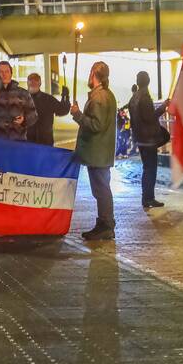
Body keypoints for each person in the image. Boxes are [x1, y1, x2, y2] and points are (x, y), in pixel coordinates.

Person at [71, 61, 117, 241]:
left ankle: (105, 226)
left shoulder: (99, 98)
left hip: (97, 152)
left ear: (93, 75)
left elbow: (96, 125)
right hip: (101, 152)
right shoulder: (108, 95)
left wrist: (77, 114)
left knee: (101, 190)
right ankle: (104, 223)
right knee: (102, 189)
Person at [127, 71, 169, 209]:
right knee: (150, 169)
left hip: (140, 138)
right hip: (148, 139)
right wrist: (163, 107)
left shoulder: (133, 99)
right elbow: (150, 117)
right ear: (148, 81)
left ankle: (147, 197)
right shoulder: (144, 97)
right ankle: (148, 198)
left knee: (147, 168)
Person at [0, 61, 38, 140]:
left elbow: (33, 115)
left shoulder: (23, 93)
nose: (4, 74)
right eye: (1, 72)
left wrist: (24, 120)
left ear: (11, 74)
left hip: (18, 141)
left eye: (7, 72)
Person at [25, 72, 69, 146]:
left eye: (35, 81)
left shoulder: (48, 99)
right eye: (31, 80)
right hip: (27, 141)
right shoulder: (21, 99)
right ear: (27, 83)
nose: (33, 82)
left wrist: (65, 98)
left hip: (45, 142)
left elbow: (62, 110)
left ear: (40, 83)